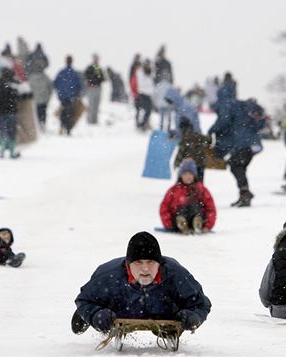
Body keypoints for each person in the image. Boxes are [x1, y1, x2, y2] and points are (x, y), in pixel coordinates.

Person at [72, 231, 211, 334]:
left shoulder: (176, 274)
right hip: (120, 309)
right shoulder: (108, 275)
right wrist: (95, 314)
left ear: (159, 263)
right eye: (138, 262)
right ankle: (91, 312)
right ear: (128, 264)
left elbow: (201, 303)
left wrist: (194, 317)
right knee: (96, 312)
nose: (145, 268)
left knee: (169, 327)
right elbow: (84, 299)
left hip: (163, 311)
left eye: (150, 262)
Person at [209, 99, 267, 207]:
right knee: (240, 167)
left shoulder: (227, 107)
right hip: (252, 144)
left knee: (235, 165)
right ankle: (244, 194)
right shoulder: (241, 108)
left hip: (244, 144)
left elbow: (223, 123)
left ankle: (245, 193)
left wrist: (211, 130)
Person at [160, 159, 216, 234]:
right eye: (185, 174)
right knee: (180, 210)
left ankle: (197, 223)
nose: (188, 176)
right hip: (177, 219)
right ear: (181, 175)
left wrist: (207, 226)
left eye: (190, 174)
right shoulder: (174, 190)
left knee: (195, 207)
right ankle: (182, 224)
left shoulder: (201, 189)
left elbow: (210, 208)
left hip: (198, 216)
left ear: (194, 175)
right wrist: (169, 224)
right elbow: (164, 207)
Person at [54, 55, 82, 135]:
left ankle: (62, 126)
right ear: (72, 61)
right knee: (70, 112)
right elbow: (79, 85)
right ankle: (68, 129)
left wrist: (59, 92)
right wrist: (77, 93)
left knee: (63, 111)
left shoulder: (61, 72)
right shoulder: (74, 73)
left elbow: (55, 83)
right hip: (71, 97)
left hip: (62, 96)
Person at [0, 68, 20, 158]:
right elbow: (18, 98)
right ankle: (12, 152)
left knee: (3, 132)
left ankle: (2, 152)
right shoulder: (13, 86)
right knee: (12, 132)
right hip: (12, 112)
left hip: (1, 112)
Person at [84, 54, 105, 125]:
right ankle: (90, 121)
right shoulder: (90, 68)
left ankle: (95, 121)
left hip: (98, 88)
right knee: (91, 105)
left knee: (96, 105)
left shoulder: (99, 68)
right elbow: (86, 77)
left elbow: (102, 78)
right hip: (91, 88)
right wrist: (91, 81)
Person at [136, 60, 154, 131]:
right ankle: (141, 125)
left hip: (149, 95)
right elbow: (142, 83)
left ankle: (144, 124)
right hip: (142, 94)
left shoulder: (150, 73)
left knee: (148, 111)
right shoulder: (140, 73)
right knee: (143, 111)